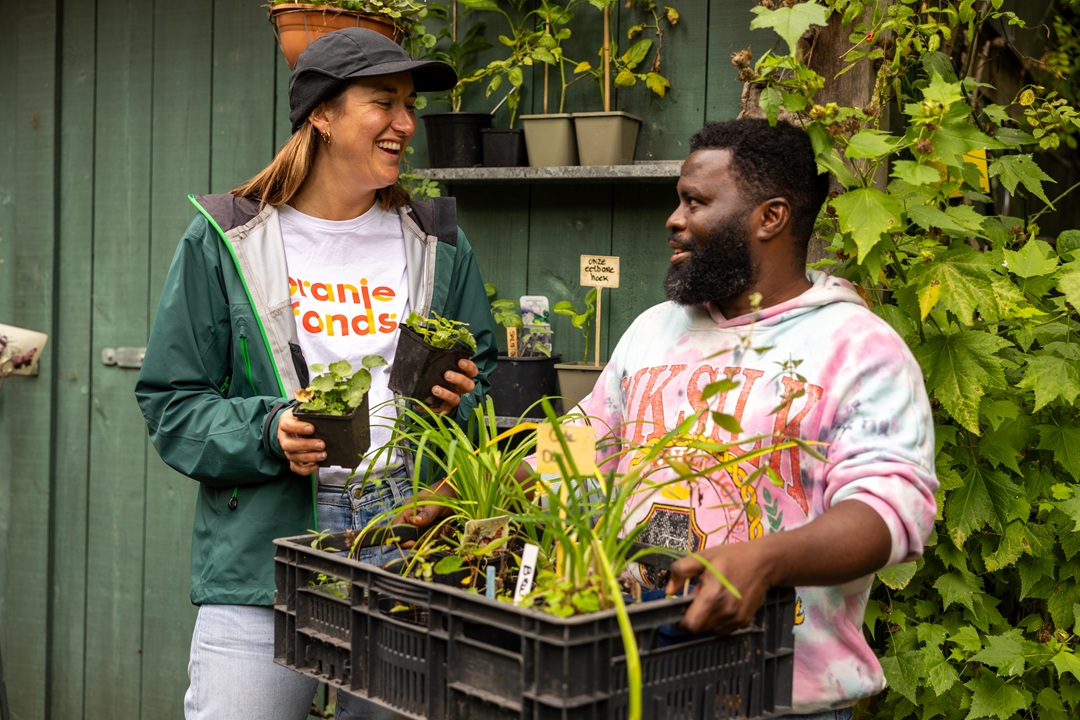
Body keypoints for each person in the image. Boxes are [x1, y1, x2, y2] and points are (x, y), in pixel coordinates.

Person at [134, 28, 497, 720]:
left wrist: (461, 395)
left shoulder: (439, 243)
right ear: (322, 115)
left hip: (405, 544)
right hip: (264, 557)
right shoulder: (227, 239)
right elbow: (172, 402)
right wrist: (270, 429)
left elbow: (487, 380)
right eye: (382, 102)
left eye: (409, 106)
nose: (405, 124)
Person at [566, 118, 938, 718]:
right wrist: (480, 488)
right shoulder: (655, 328)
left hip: (780, 694)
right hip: (633, 675)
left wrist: (766, 560)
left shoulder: (857, 347)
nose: (675, 219)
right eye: (678, 200)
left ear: (770, 218)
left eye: (697, 202)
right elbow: (591, 438)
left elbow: (888, 512)